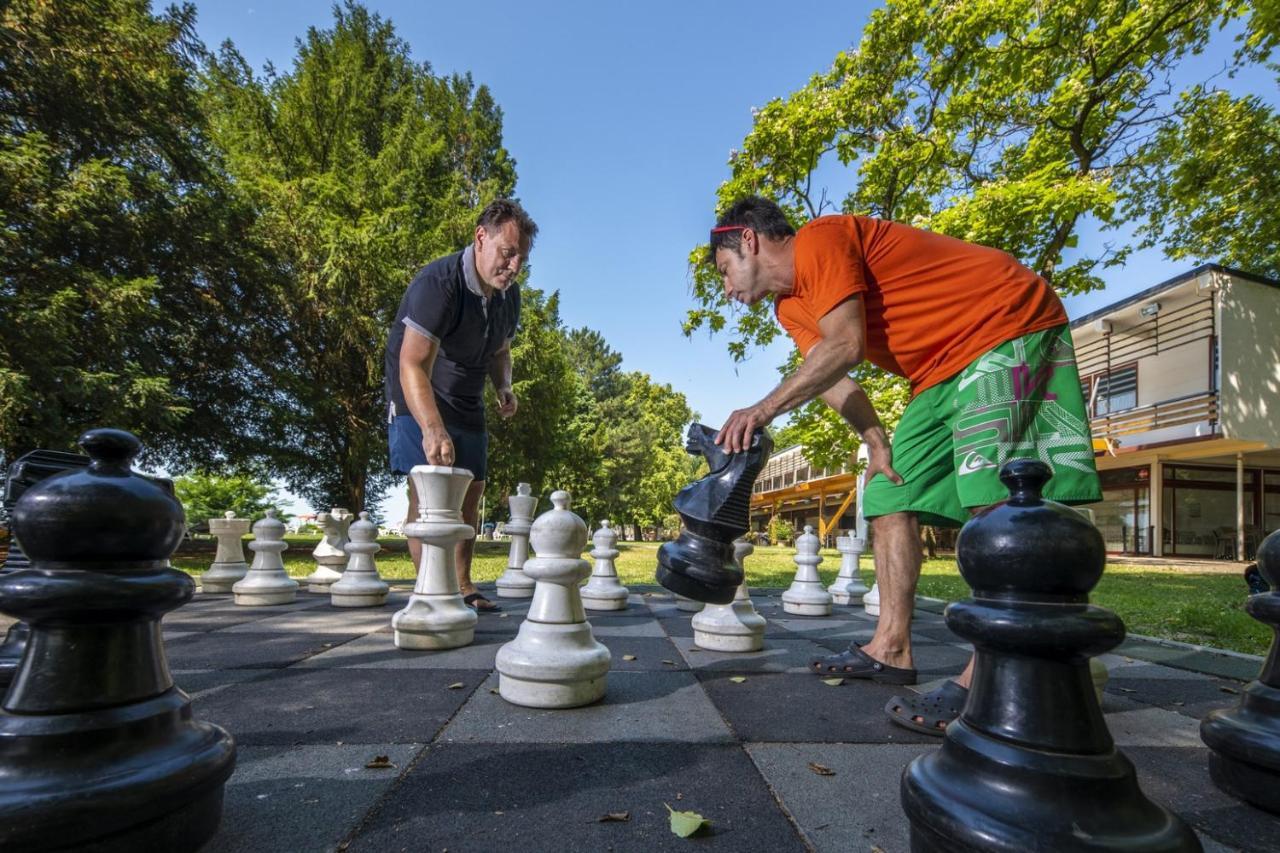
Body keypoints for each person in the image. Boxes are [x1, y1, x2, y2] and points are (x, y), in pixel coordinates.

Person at [709, 196, 1101, 734]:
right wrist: (875, 441)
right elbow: (833, 377)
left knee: (996, 498)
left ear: (748, 241)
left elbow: (846, 346)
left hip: (1003, 322)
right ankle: (890, 647)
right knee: (890, 494)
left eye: (725, 271)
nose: (728, 290)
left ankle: (990, 674)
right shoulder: (788, 308)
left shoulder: (822, 238)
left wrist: (761, 409)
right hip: (935, 372)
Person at [385, 199, 538, 612]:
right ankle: (431, 592)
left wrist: (503, 386)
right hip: (417, 388)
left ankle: (464, 586)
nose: (514, 267)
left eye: (522, 258)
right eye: (508, 254)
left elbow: (501, 349)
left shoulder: (510, 295)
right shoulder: (439, 283)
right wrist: (433, 428)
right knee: (431, 492)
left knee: (472, 489)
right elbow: (412, 363)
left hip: (467, 393)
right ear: (481, 237)